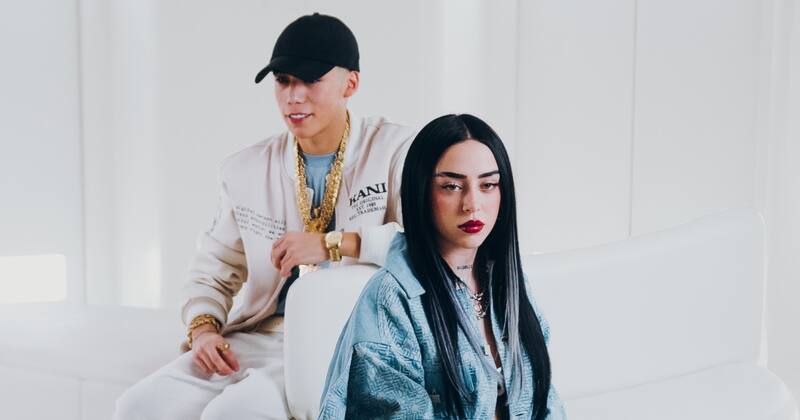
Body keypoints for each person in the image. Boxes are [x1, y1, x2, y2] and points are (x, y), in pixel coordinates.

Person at [114, 13, 414, 420]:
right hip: (260, 334)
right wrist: (203, 330)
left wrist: (334, 243)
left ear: (351, 83)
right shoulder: (246, 169)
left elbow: (429, 247)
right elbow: (213, 268)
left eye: (310, 80)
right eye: (283, 81)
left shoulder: (395, 150)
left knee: (233, 413)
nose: (294, 96)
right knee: (137, 407)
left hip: (345, 339)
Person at [318, 114, 567, 419]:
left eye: (488, 185)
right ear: (421, 190)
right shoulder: (391, 299)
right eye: (451, 186)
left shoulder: (511, 283)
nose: (472, 204)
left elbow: (545, 401)